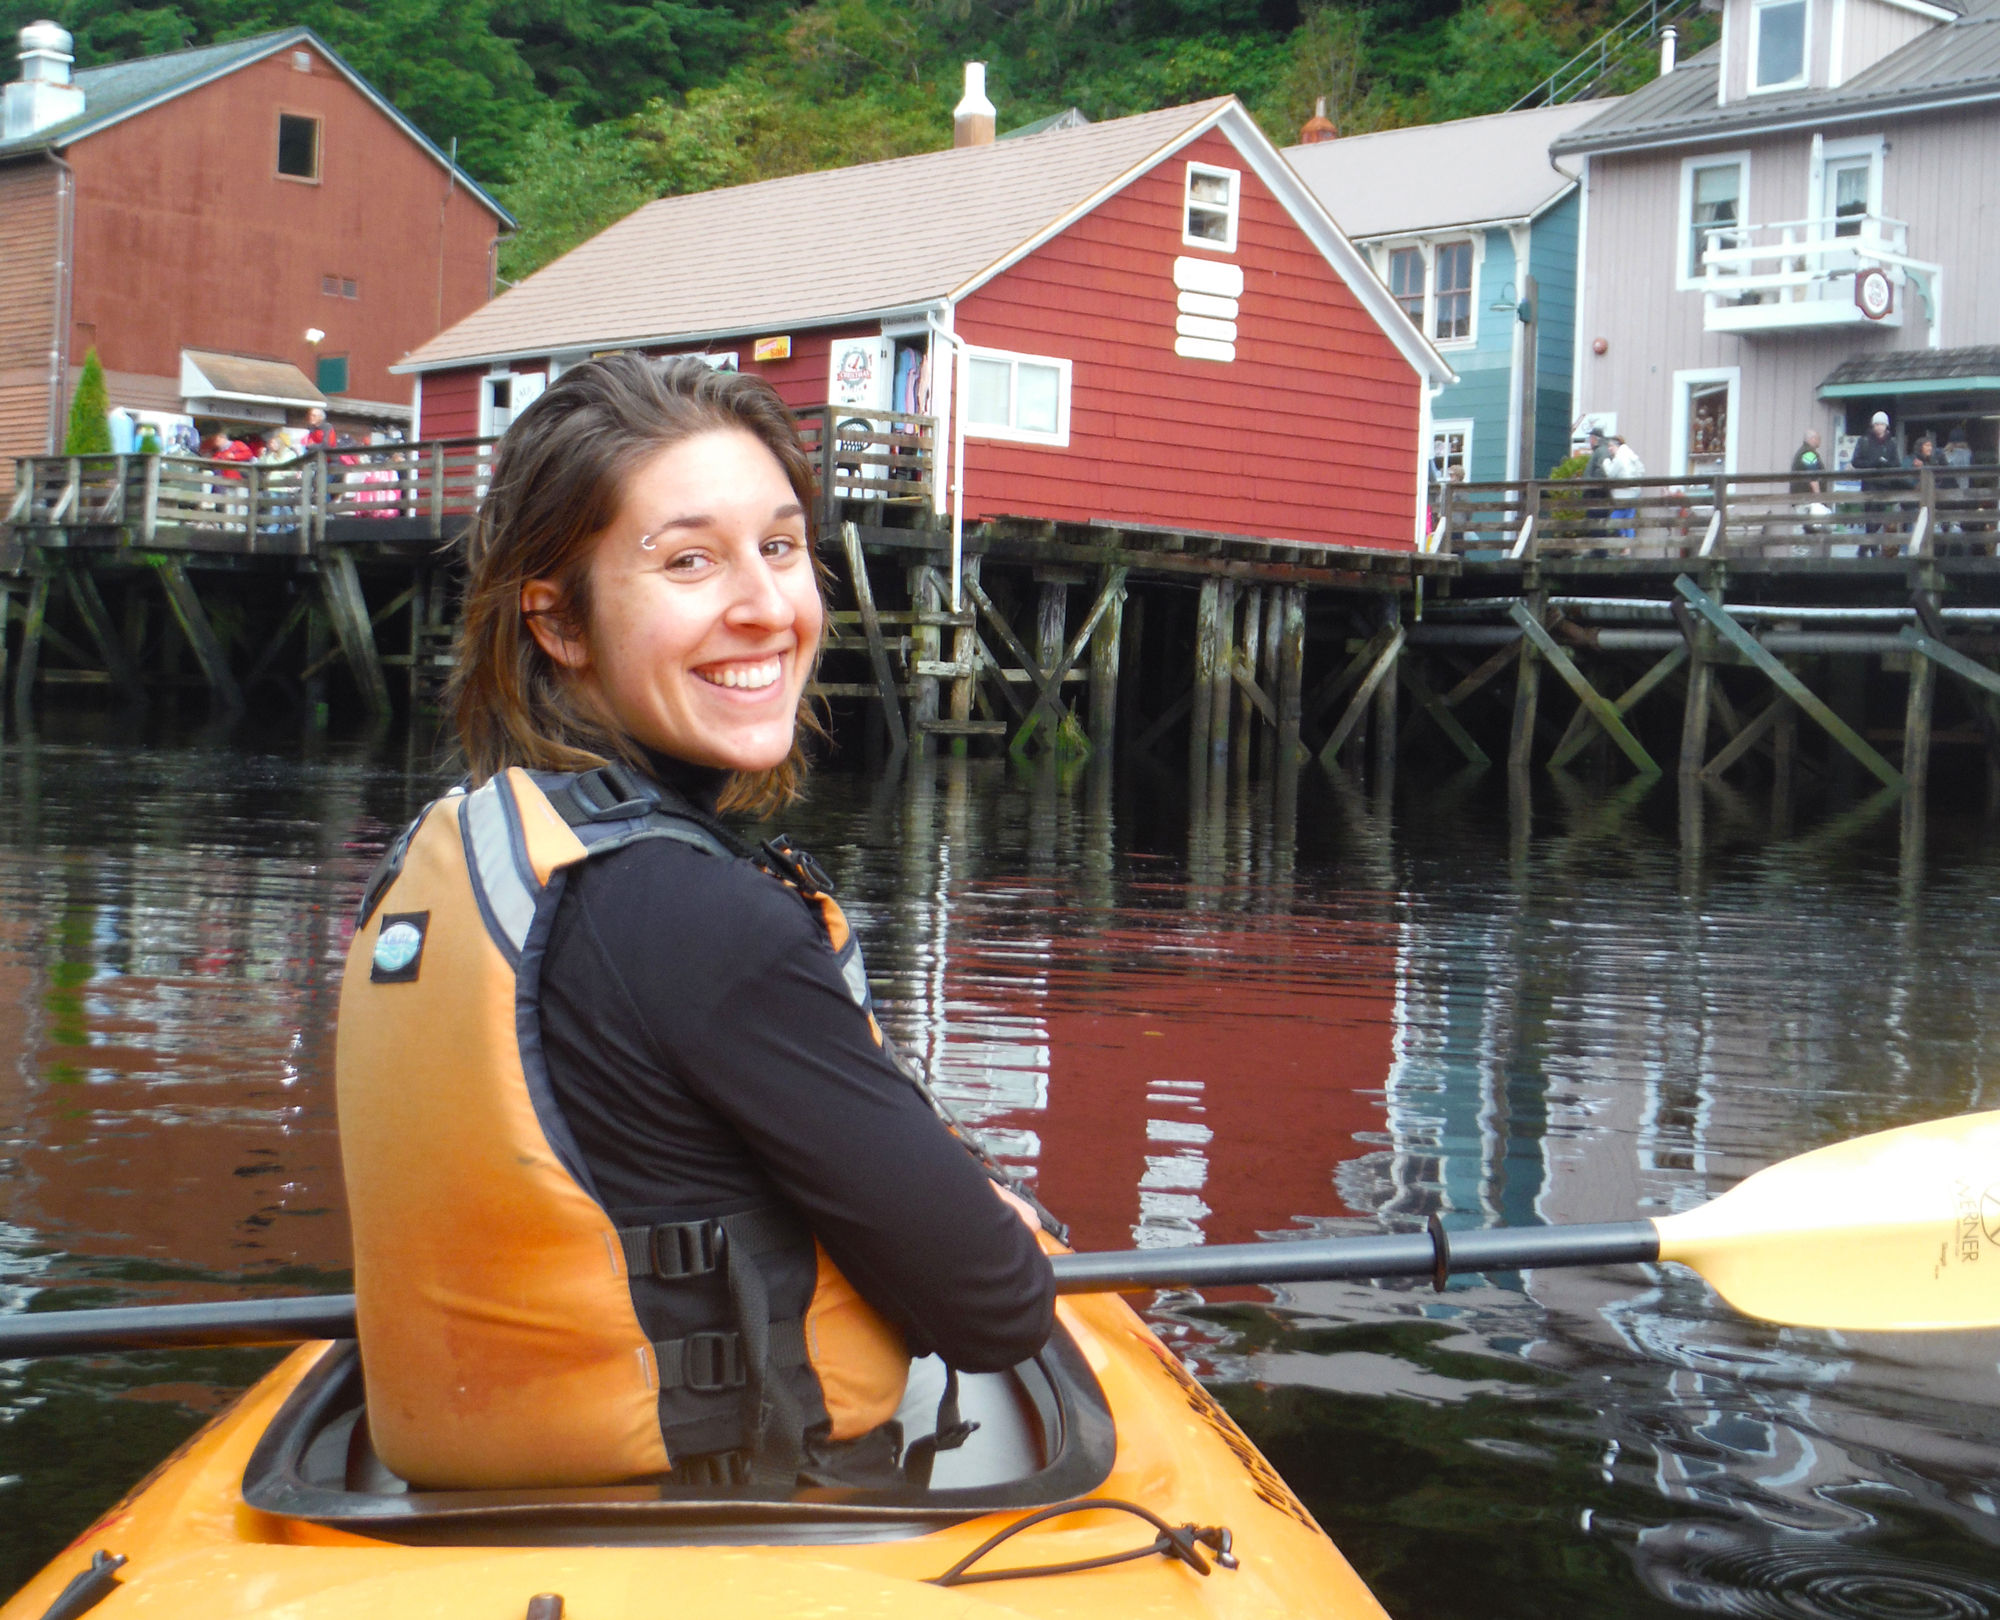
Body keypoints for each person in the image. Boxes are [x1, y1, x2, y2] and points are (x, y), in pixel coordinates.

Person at [336, 354, 1055, 1495]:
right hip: (712, 1514)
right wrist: (982, 1222)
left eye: (779, 546)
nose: (767, 607)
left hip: (444, 1492)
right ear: (559, 623)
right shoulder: (700, 920)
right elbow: (995, 1307)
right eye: (687, 562)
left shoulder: (450, 863)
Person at [1850, 411, 1902, 551]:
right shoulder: (1864, 441)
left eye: (1882, 424)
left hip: (1885, 485)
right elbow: (1856, 461)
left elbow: (1897, 464)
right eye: (1877, 424)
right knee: (1870, 518)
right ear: (1873, 426)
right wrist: (1873, 464)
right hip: (1870, 484)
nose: (1879, 427)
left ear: (1886, 426)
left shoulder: (1891, 443)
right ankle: (1871, 548)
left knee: (1880, 518)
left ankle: (1866, 548)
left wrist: (1886, 465)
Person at [1605, 435, 1644, 540]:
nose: (1609, 448)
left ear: (1617, 446)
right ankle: (1627, 547)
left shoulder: (1619, 458)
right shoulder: (1629, 454)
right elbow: (1641, 469)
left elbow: (1610, 474)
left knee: (1614, 518)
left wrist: (1606, 463)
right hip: (1634, 493)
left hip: (1624, 495)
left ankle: (1623, 539)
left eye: (1611, 446)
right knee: (1628, 521)